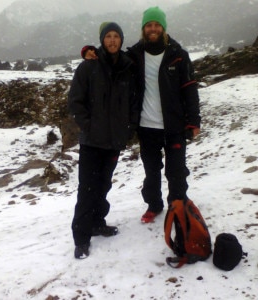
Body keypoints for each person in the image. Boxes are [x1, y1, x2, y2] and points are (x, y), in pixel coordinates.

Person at [82, 7, 201, 224]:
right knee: (152, 172)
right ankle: (154, 205)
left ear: (163, 28)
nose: (153, 28)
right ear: (143, 29)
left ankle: (178, 205)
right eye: (149, 25)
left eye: (156, 25)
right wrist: (89, 51)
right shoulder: (134, 56)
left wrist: (194, 121)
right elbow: (110, 56)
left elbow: (190, 89)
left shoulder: (178, 55)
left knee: (177, 172)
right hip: (146, 127)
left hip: (174, 125)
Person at [68, 22, 138, 259]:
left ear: (121, 39)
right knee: (87, 190)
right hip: (91, 141)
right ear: (101, 40)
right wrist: (89, 126)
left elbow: (133, 102)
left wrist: (129, 128)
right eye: (107, 36)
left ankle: (98, 223)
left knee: (104, 185)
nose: (112, 40)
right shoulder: (89, 66)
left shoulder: (128, 67)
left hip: (114, 141)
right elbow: (76, 101)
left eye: (116, 36)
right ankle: (81, 238)